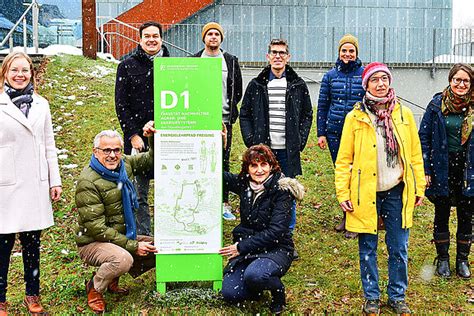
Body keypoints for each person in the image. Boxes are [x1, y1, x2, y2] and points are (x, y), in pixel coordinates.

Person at [335, 62, 425, 315]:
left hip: (396, 190)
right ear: (366, 85)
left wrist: (418, 187)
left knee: (398, 247)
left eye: (385, 78)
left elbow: (415, 155)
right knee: (368, 248)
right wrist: (343, 193)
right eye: (375, 79)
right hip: (365, 192)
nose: (381, 83)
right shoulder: (355, 117)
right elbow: (344, 160)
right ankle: (371, 296)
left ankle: (397, 296)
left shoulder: (404, 114)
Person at [0, 51, 62, 315]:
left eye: (25, 70)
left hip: (34, 183)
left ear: (31, 73)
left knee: (32, 244)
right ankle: (0, 298)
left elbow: (49, 144)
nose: (20, 75)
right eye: (14, 70)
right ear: (5, 73)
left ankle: (32, 295)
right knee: (3, 245)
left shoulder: (42, 105)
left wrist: (54, 180)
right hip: (6, 183)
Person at [75, 122, 158, 313]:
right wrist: (133, 246)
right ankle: (95, 288)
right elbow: (97, 228)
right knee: (123, 259)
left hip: (120, 234)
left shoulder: (124, 165)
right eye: (106, 150)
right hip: (92, 241)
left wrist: (151, 138)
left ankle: (112, 278)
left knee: (160, 247)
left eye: (116, 150)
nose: (112, 155)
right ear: (95, 151)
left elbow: (152, 160)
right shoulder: (88, 182)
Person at [219, 144, 304, 314]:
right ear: (247, 168)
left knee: (255, 276)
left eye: (264, 164)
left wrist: (240, 247)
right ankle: (256, 287)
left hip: (276, 249)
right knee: (230, 293)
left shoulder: (282, 191)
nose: (259, 170)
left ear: (271, 166)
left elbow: (276, 232)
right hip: (249, 249)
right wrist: (220, 145)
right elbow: (216, 173)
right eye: (254, 165)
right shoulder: (244, 184)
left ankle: (277, 292)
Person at [239, 38, 313, 232]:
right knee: (262, 191)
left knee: (287, 192)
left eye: (281, 53)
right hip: (264, 151)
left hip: (288, 151)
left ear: (288, 57)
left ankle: (286, 235)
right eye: (274, 52)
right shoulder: (257, 85)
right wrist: (252, 142)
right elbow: (244, 113)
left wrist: (300, 140)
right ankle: (264, 233)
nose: (277, 56)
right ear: (268, 57)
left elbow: (307, 114)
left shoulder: (297, 85)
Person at [419, 63, 473, 279]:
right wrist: (426, 168)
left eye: (466, 81)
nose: (461, 84)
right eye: (457, 80)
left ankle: (462, 260)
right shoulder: (436, 105)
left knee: (466, 213)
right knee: (441, 213)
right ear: (450, 81)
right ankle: (442, 259)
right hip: (442, 166)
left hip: (468, 168)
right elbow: (423, 137)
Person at [115, 21, 169, 236]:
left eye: (155, 36)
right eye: (147, 36)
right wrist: (133, 135)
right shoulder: (127, 66)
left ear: (161, 39)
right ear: (140, 39)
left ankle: (170, 236)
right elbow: (121, 104)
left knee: (171, 191)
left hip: (170, 139)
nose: (151, 40)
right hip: (140, 141)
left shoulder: (175, 65)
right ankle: (145, 237)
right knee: (139, 194)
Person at [193, 22, 243, 221]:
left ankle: (223, 203)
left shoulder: (230, 61)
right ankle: (200, 200)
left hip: (222, 121)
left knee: (222, 161)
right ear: (204, 38)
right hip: (197, 120)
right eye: (209, 34)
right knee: (198, 160)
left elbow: (237, 89)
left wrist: (228, 109)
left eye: (216, 34)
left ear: (221, 38)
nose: (213, 37)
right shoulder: (194, 60)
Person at [317, 34, 364, 238]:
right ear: (339, 53)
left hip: (359, 131)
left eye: (351, 50)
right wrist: (321, 132)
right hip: (335, 131)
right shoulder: (330, 76)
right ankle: (346, 213)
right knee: (342, 173)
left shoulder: (364, 74)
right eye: (344, 50)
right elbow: (322, 105)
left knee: (357, 174)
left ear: (356, 53)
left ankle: (356, 219)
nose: (347, 54)